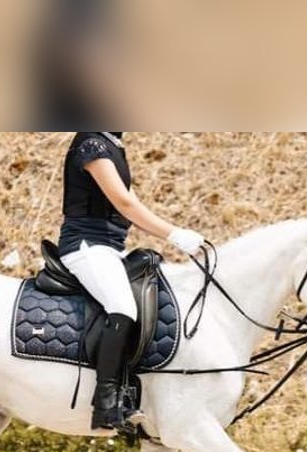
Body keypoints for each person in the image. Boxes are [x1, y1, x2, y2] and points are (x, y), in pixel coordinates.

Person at [58, 131, 204, 432]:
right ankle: (107, 402)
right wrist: (173, 234)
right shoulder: (92, 144)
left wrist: (173, 231)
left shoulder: (112, 145)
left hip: (110, 247)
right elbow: (125, 203)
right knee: (123, 307)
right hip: (87, 246)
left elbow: (132, 204)